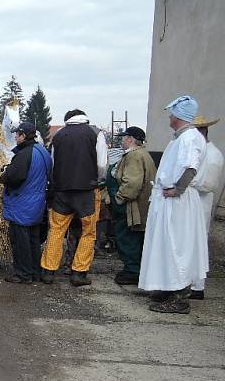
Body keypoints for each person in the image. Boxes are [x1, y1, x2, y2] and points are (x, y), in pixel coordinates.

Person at [139, 95, 208, 314]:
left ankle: (180, 297)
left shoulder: (189, 138)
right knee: (167, 246)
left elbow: (190, 167)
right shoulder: (181, 138)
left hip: (177, 202)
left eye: (172, 114)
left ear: (179, 116)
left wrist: (177, 190)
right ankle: (168, 287)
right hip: (170, 199)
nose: (169, 117)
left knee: (179, 247)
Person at [40, 109, 107, 287]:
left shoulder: (59, 135)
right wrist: (98, 179)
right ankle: (79, 273)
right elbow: (101, 164)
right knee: (88, 231)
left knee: (56, 230)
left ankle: (48, 271)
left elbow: (53, 164)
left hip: (61, 191)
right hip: (86, 191)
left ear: (67, 120)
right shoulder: (96, 133)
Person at [0, 122, 52, 283]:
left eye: (17, 134)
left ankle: (22, 273)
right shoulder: (43, 152)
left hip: (22, 203)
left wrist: (4, 174)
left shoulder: (24, 154)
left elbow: (14, 177)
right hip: (37, 202)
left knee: (20, 240)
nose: (15, 137)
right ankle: (34, 270)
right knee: (33, 239)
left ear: (23, 135)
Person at [107, 126, 156, 286]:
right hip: (141, 205)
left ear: (131, 139)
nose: (122, 140)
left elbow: (132, 183)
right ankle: (136, 269)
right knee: (135, 238)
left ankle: (132, 271)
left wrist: (118, 198)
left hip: (132, 207)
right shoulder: (143, 154)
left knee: (129, 238)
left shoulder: (134, 156)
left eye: (124, 137)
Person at [190, 115, 223, 299]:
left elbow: (208, 184)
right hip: (192, 204)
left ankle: (197, 285)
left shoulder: (212, 154)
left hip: (200, 204)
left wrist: (186, 182)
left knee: (198, 243)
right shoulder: (201, 152)